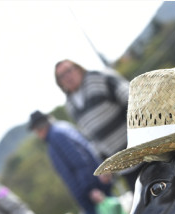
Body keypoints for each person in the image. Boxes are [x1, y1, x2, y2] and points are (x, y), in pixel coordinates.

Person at [54, 59, 140, 189]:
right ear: (60, 83)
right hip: (123, 165)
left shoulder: (99, 78)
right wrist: (104, 165)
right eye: (61, 76)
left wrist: (139, 137)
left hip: (143, 152)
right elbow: (91, 137)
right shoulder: (70, 105)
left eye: (68, 71)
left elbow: (134, 100)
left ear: (78, 68)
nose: (67, 77)